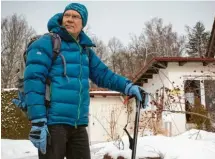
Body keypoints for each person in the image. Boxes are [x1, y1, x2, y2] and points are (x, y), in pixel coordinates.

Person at [23, 3, 144, 159]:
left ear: (83, 23)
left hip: (78, 124)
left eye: (75, 17)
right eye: (67, 16)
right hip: (53, 123)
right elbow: (33, 81)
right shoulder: (47, 43)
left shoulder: (85, 50)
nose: (69, 20)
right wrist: (38, 119)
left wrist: (128, 86)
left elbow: (104, 75)